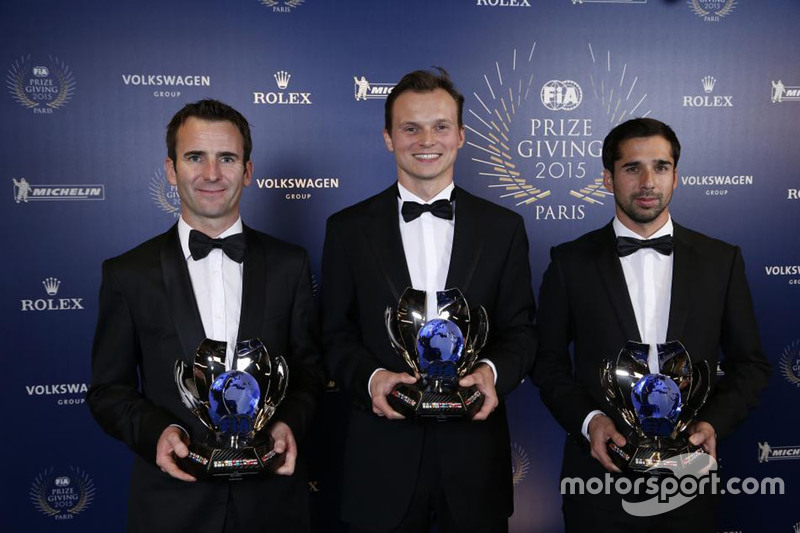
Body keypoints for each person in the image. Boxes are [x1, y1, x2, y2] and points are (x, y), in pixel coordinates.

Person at [88, 99, 324, 532]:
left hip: (272, 506)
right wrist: (156, 432)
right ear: (171, 168)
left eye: (227, 158)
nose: (212, 174)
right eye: (196, 157)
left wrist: (290, 423)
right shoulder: (128, 273)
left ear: (248, 171)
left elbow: (309, 372)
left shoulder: (291, 264)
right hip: (171, 507)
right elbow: (107, 390)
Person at [322, 68, 536, 532]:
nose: (426, 139)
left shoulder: (504, 228)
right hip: (380, 461)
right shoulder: (347, 229)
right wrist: (372, 378)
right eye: (410, 127)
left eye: (441, 126)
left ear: (460, 135)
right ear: (387, 137)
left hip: (475, 461)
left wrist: (491, 373)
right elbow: (333, 334)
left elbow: (521, 331)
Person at [532, 118, 770, 531]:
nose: (647, 181)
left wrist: (712, 424)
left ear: (676, 176)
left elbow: (750, 365)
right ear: (608, 178)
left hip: (689, 479)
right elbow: (546, 363)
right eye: (631, 168)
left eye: (660, 167)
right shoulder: (570, 263)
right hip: (599, 481)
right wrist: (590, 422)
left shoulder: (721, 261)